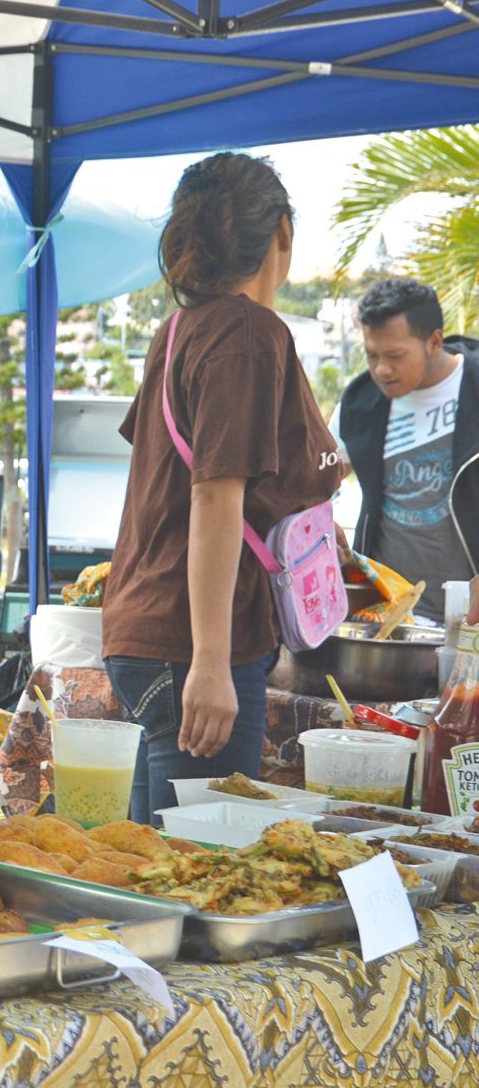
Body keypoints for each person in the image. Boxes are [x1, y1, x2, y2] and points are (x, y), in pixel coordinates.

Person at [101, 153, 342, 826]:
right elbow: (213, 496)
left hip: (149, 629)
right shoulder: (247, 332)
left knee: (152, 864)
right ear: (283, 233)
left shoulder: (182, 329)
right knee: (200, 866)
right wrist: (210, 662)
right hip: (197, 643)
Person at [331, 277, 479, 623]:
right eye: (372, 355)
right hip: (386, 619)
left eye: (395, 356)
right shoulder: (360, 402)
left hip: (470, 623)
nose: (381, 369)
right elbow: (314, 480)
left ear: (434, 341)